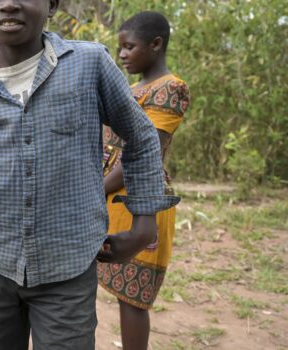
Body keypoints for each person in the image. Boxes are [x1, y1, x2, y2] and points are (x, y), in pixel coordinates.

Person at [0, 1, 179, 349]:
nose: (9, 3)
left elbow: (141, 136)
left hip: (69, 265)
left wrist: (144, 225)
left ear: (52, 5)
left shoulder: (89, 65)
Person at [97, 11, 190, 350]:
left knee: (133, 297)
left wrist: (93, 190)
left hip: (140, 201)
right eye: (119, 48)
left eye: (129, 47)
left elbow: (144, 153)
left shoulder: (171, 89)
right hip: (108, 196)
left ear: (156, 44)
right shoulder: (131, 89)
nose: (122, 55)